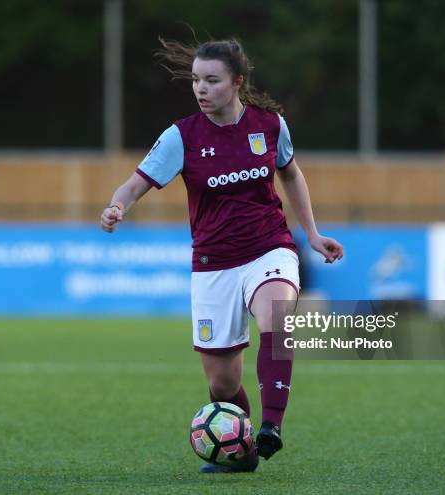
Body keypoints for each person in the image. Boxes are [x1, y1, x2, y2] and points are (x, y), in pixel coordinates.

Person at [100, 37, 344, 473]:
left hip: (269, 247)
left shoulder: (270, 125)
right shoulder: (182, 135)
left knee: (276, 315)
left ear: (237, 82)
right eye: (196, 80)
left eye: (211, 80)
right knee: (222, 382)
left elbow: (291, 173)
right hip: (213, 264)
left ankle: (271, 425)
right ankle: (243, 452)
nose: (201, 89)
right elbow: (134, 183)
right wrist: (119, 206)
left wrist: (311, 232)